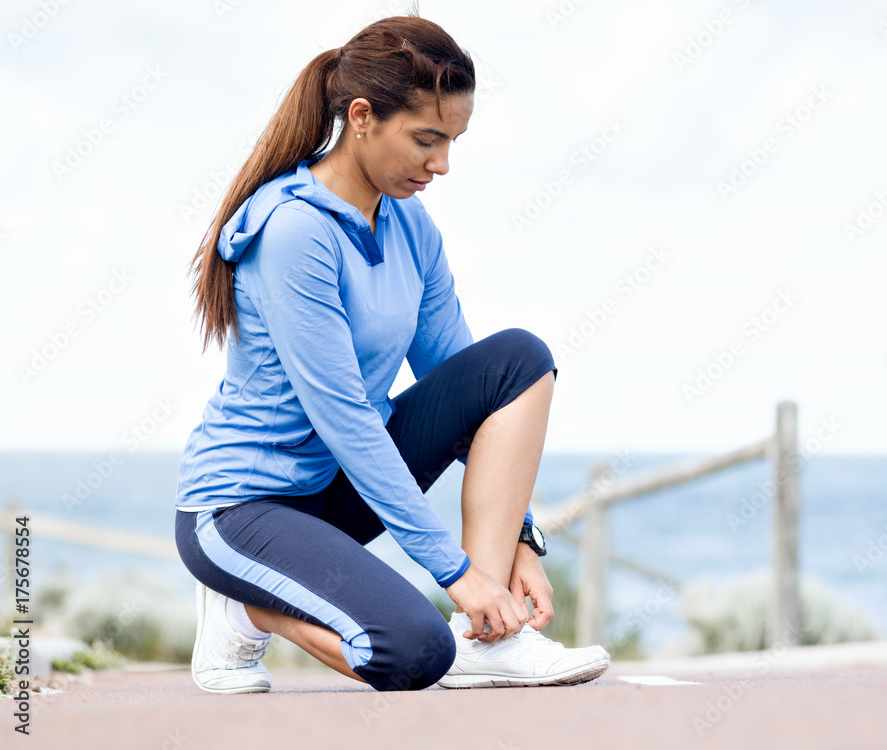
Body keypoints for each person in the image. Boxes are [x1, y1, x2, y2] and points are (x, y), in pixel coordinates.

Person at [174, 15, 610, 693]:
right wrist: (455, 575)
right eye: (427, 140)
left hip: (333, 496)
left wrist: (520, 536)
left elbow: (462, 381)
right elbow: (346, 418)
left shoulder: (409, 222)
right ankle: (246, 605)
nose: (441, 165)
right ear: (361, 118)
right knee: (414, 653)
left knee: (517, 360)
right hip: (242, 510)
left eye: (452, 143)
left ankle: (489, 641)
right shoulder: (293, 232)